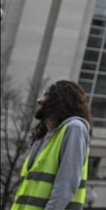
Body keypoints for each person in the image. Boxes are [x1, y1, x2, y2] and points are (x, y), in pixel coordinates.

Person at [13, 80, 92, 210]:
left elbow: (67, 184)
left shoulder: (74, 128)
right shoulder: (43, 137)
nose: (39, 100)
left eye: (46, 96)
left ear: (60, 100)